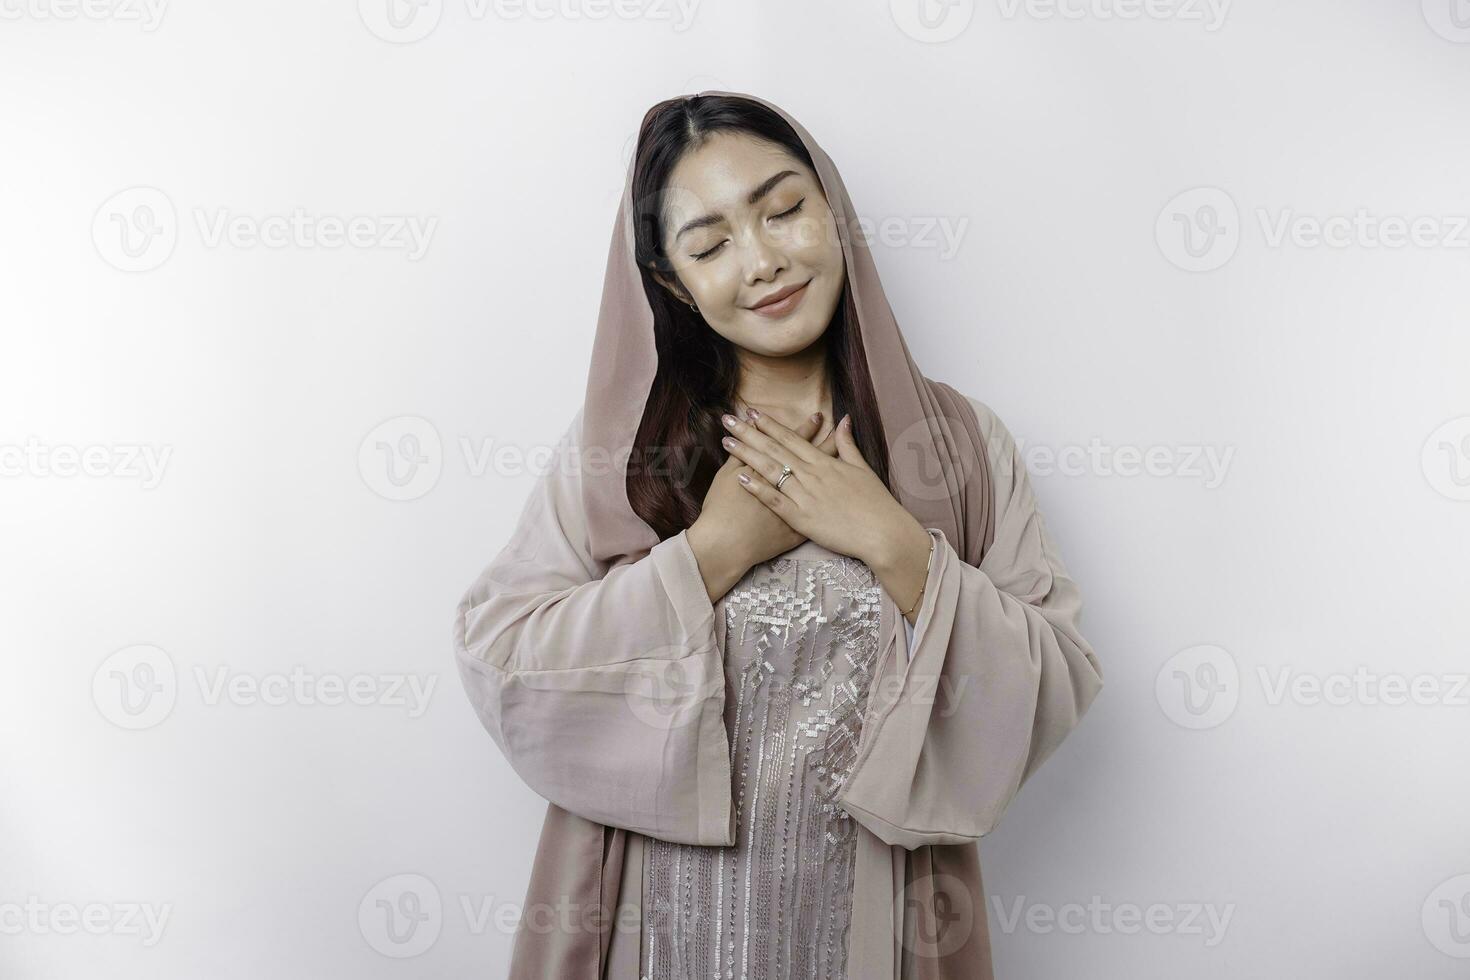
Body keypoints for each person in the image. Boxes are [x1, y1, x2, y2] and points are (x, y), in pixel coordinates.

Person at [451, 90, 1104, 980]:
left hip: (879, 934)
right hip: (657, 937)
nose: (761, 261)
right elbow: (502, 660)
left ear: (834, 212)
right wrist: (712, 553)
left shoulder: (955, 450)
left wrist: (893, 543)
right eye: (711, 243)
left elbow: (1054, 680)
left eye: (784, 210)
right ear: (674, 283)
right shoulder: (625, 450)